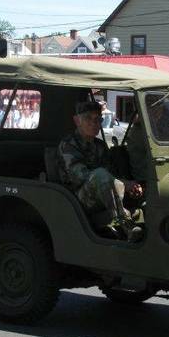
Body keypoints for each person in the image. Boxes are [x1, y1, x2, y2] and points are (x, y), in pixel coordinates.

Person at [58, 102, 143, 242]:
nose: (94, 123)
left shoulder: (100, 146)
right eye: (88, 118)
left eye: (98, 119)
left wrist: (127, 184)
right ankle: (125, 223)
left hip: (102, 193)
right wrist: (118, 183)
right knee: (100, 174)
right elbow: (79, 176)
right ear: (77, 120)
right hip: (76, 199)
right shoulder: (68, 145)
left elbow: (112, 174)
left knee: (134, 184)